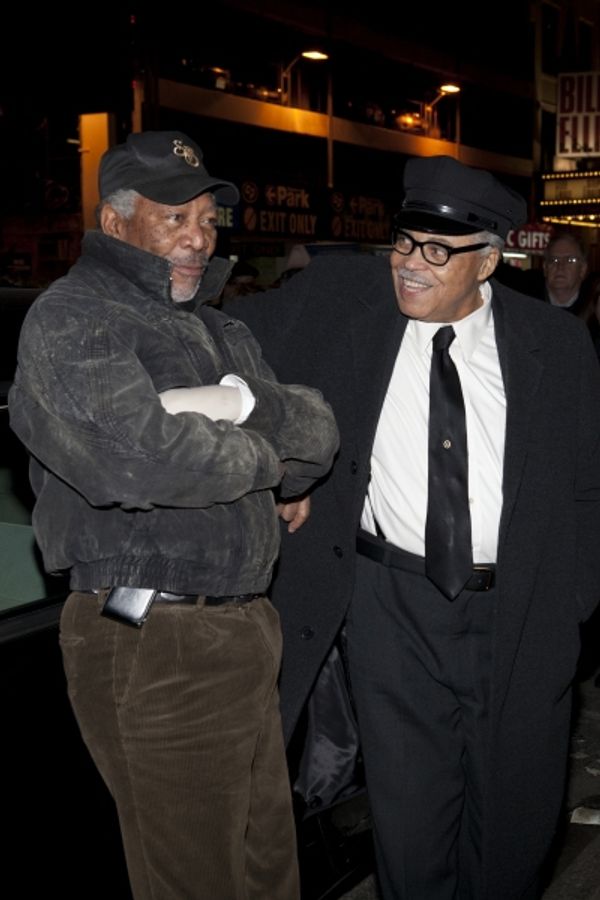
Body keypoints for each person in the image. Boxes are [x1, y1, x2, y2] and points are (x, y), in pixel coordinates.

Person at [223, 155, 600, 900]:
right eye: (404, 242)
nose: (410, 266)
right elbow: (226, 338)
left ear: (488, 259)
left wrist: (571, 609)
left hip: (520, 615)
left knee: (512, 839)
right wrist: (278, 466)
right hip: (390, 614)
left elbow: (587, 489)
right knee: (411, 833)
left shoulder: (554, 348)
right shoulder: (342, 301)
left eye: (438, 251)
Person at [8, 130, 339, 900]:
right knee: (198, 883)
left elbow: (319, 434)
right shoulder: (75, 318)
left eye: (209, 220)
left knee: (265, 876)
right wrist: (263, 449)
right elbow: (137, 460)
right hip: (157, 634)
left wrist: (234, 408)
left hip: (242, 626)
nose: (199, 238)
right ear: (115, 220)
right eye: (176, 217)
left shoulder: (221, 327)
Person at [541, 230, 589, 313]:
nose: (560, 266)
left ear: (583, 269)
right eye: (554, 260)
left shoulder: (592, 311)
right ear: (545, 268)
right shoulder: (527, 303)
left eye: (570, 260)